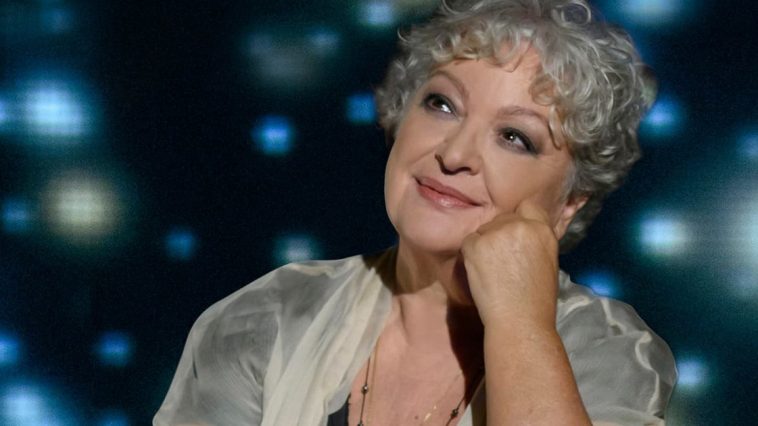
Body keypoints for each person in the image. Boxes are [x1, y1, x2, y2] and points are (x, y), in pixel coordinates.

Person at [154, 0, 677, 424]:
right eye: (442, 105)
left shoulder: (608, 353)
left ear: (567, 205)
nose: (455, 155)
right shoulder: (267, 320)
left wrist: (521, 325)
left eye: (514, 137)